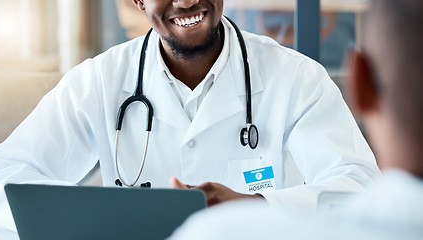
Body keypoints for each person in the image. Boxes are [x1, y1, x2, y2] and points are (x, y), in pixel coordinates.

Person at [0, 0, 380, 232]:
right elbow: (1, 179)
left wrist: (255, 206)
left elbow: (359, 187)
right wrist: (95, 218)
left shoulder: (296, 78)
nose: (187, 0)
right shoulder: (98, 81)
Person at [169, 0, 423, 239]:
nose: (185, 1)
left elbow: (356, 181)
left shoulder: (218, 233)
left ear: (359, 83)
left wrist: (257, 203)